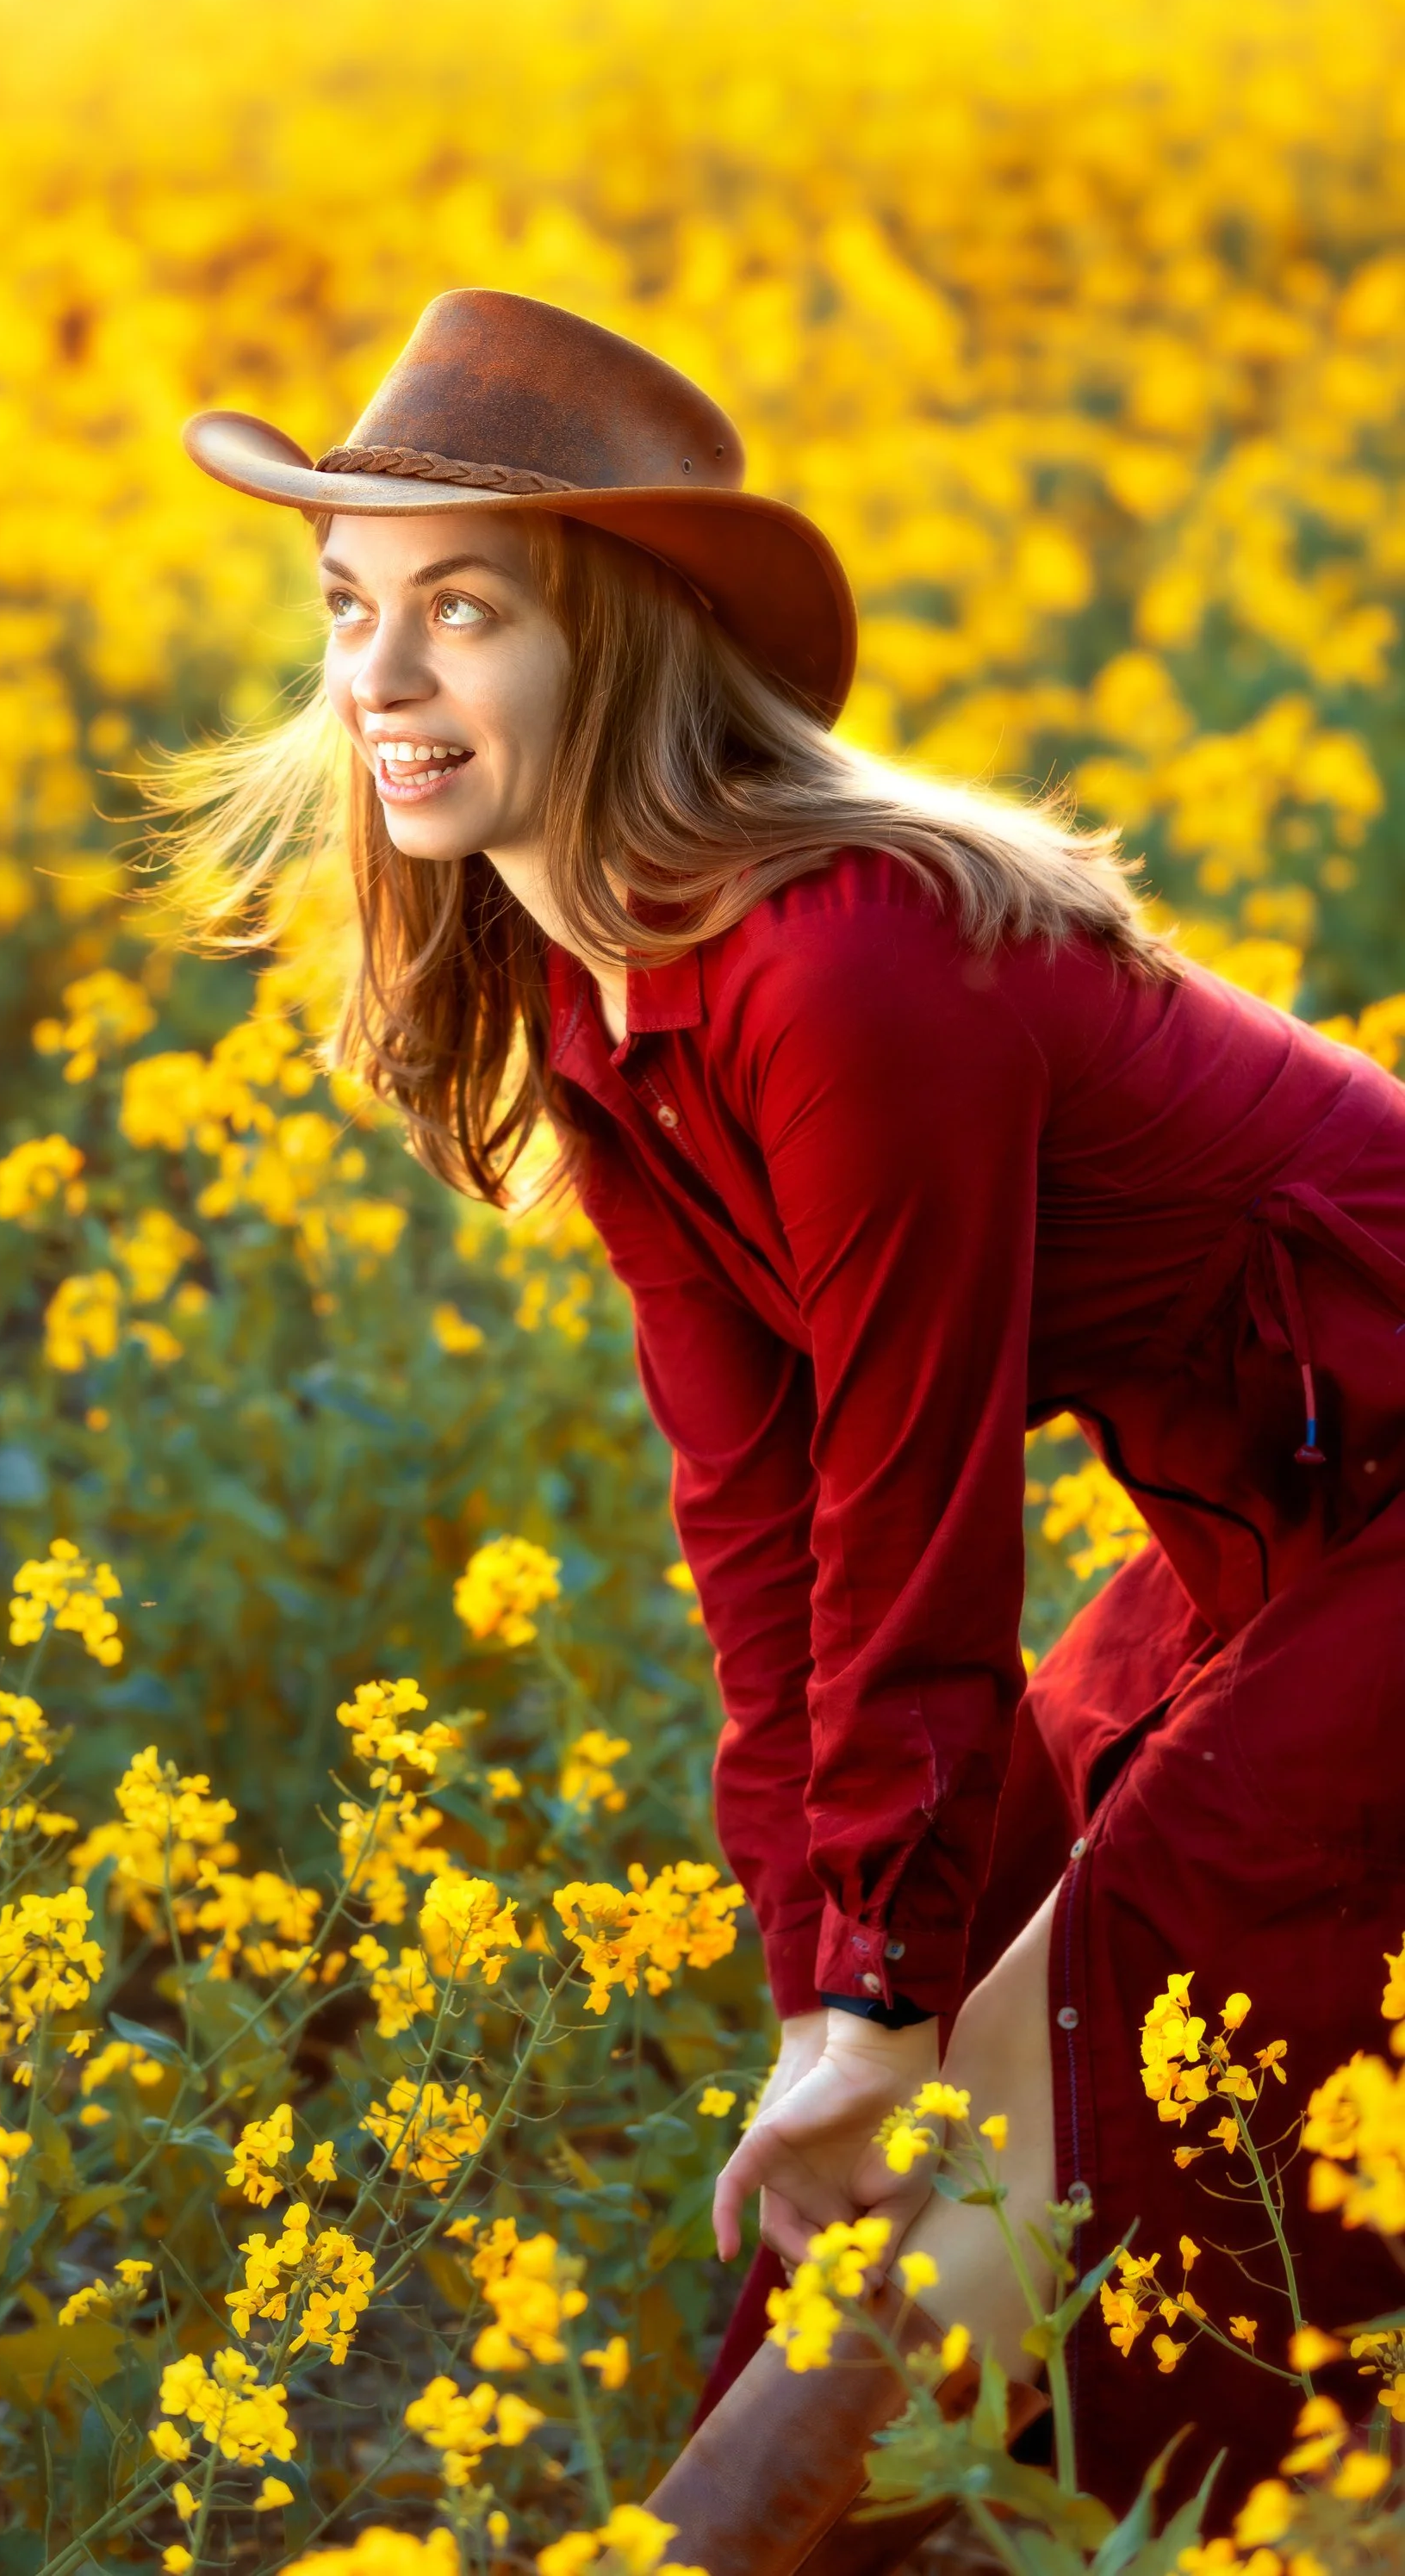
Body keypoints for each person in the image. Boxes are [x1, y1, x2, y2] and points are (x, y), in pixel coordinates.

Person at [173, 289, 1405, 2566]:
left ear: (619, 646)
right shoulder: (587, 992)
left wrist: (876, 1991)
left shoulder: (839, 963)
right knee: (948, 2050)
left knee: (1092, 2022)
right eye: (347, 608)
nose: (377, 679)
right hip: (1273, 1524)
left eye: (463, 611)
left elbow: (911, 1504)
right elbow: (760, 1534)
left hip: (1375, 1492)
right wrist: (820, 1990)